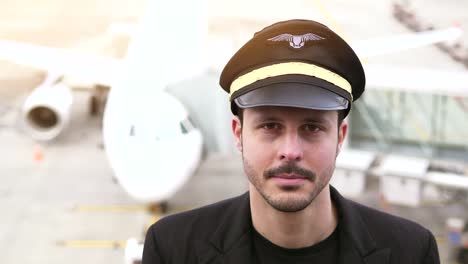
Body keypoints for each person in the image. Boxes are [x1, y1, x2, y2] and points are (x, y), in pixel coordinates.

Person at [142, 19, 440, 263]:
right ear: (238, 133)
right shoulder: (171, 250)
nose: (290, 151)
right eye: (270, 126)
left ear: (340, 137)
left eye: (312, 128)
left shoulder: (412, 252)